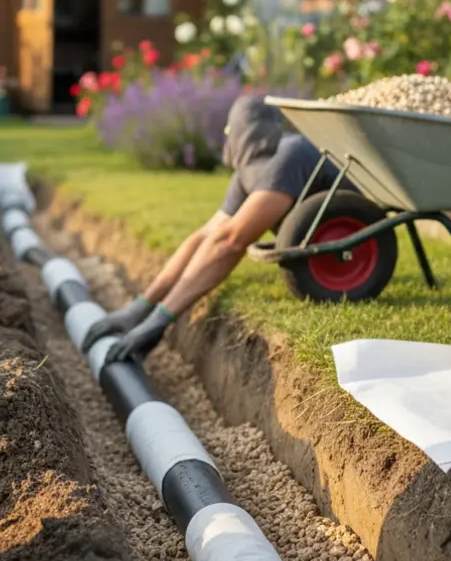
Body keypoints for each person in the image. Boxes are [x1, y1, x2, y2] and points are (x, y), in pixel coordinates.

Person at [81, 94, 356, 364]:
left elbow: (231, 241)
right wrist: (139, 309)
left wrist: (159, 321)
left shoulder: (290, 157)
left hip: (348, 250)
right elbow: (205, 236)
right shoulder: (249, 171)